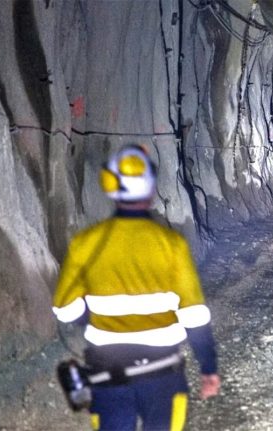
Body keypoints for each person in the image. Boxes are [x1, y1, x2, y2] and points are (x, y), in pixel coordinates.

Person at [52, 144, 220, 431]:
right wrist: (208, 367)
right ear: (151, 189)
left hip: (107, 375)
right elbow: (194, 316)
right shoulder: (172, 245)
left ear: (109, 186)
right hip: (163, 375)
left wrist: (95, 317)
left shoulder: (85, 244)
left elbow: (65, 310)